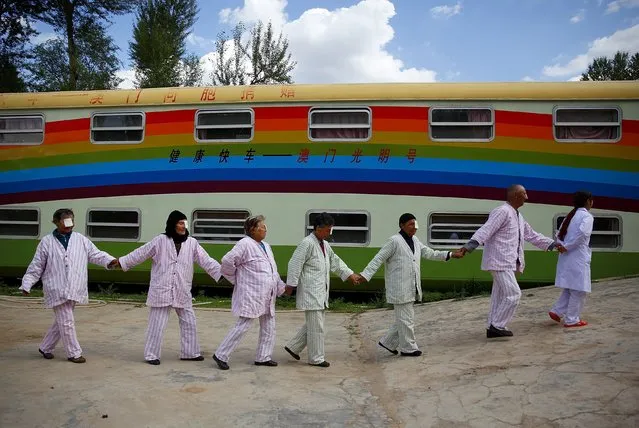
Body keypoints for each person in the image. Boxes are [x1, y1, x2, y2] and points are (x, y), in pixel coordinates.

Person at [116, 210, 222, 365]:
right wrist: (122, 262)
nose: (183, 226)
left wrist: (222, 272)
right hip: (161, 289)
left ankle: (190, 352)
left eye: (185, 223)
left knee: (189, 321)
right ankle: (152, 355)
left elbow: (206, 260)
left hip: (182, 289)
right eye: (180, 223)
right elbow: (141, 253)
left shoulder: (192, 243)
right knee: (157, 324)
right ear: (172, 224)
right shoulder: (160, 240)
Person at [459, 184, 565, 338]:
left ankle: (492, 326)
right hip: (499, 260)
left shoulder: (518, 216)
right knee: (514, 294)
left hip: (506, 262)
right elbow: (486, 230)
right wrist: (469, 246)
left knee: (500, 296)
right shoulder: (502, 211)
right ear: (515, 195)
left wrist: (552, 244)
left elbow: (532, 235)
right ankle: (497, 325)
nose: (527, 197)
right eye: (524, 194)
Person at [19, 208, 117, 363]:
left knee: (62, 321)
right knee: (67, 321)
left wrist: (110, 261)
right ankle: (74, 353)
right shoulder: (46, 242)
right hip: (56, 287)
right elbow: (37, 266)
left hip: (74, 287)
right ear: (56, 222)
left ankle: (45, 347)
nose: (68, 225)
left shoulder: (80, 239)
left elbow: (95, 254)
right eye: (64, 221)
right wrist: (27, 284)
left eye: (70, 221)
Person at [359, 213, 463, 357]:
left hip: (411, 286)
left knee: (404, 318)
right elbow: (378, 258)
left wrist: (450, 254)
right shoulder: (394, 241)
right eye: (411, 224)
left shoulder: (415, 241)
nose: (414, 228)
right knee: (407, 319)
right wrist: (365, 275)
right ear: (402, 225)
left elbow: (430, 253)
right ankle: (409, 348)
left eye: (415, 224)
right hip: (399, 287)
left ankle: (388, 342)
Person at [283, 212, 360, 368]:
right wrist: (290, 285)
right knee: (317, 326)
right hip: (311, 291)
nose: (329, 233)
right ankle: (316, 358)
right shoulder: (307, 243)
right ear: (318, 228)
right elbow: (294, 264)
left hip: (320, 291)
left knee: (314, 324)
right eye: (327, 229)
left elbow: (335, 262)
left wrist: (350, 274)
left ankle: (293, 346)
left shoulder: (324, 244)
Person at [213, 215, 286, 370]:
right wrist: (235, 278)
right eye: (262, 226)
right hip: (251, 294)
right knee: (244, 325)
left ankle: (263, 357)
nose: (265, 229)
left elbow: (273, 270)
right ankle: (221, 354)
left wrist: (281, 287)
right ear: (253, 229)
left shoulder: (266, 245)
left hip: (267, 294)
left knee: (269, 325)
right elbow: (227, 261)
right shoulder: (244, 244)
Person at [549, 191, 594, 328]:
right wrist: (567, 247)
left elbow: (559, 234)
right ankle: (572, 319)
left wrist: (562, 246)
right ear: (587, 201)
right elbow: (582, 235)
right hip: (577, 256)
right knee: (579, 290)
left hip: (567, 257)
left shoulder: (570, 216)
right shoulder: (587, 216)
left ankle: (557, 311)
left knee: (570, 288)